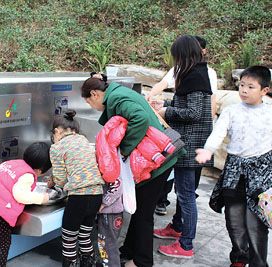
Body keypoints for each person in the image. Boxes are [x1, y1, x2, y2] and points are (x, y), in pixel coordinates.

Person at [81, 72, 180, 267]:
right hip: (155, 157)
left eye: (89, 102)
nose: (91, 107)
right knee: (139, 210)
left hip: (157, 160)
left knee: (143, 213)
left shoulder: (117, 98)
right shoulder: (117, 93)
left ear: (94, 94)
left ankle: (142, 261)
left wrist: (124, 149)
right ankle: (129, 250)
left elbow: (140, 119)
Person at [195, 65, 272, 267]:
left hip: (261, 174)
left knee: (256, 224)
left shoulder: (270, 114)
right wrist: (208, 149)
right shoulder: (231, 111)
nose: (244, 90)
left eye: (251, 87)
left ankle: (258, 263)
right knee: (234, 221)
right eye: (242, 85)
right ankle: (239, 256)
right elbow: (218, 132)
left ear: (264, 90)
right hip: (234, 171)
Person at [151, 34, 213, 259]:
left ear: (184, 55)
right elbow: (187, 105)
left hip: (191, 145)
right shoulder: (195, 73)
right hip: (192, 143)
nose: (174, 60)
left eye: (176, 56)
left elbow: (194, 113)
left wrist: (167, 112)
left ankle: (185, 244)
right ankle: (177, 227)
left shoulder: (195, 76)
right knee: (183, 191)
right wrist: (165, 103)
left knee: (186, 194)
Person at [48, 109, 104, 267]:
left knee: (69, 238)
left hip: (79, 197)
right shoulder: (84, 141)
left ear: (57, 131)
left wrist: (52, 181)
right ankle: (89, 264)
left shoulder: (56, 148)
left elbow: (60, 178)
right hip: (96, 194)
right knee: (85, 236)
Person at [97, 170, 124, 267]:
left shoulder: (110, 163)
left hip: (110, 213)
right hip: (108, 212)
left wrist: (104, 202)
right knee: (106, 244)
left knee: (109, 245)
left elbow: (117, 187)